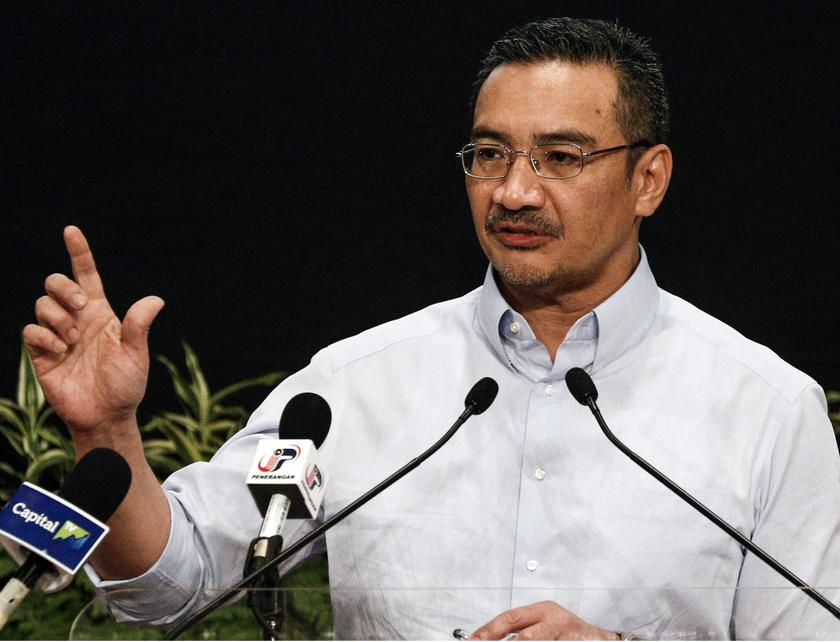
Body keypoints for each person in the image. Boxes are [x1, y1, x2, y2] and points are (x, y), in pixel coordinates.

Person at [22, 17, 840, 640]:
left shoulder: (767, 410)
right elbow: (172, 583)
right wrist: (107, 433)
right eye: (490, 154)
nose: (514, 191)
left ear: (648, 179)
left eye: (561, 157)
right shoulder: (352, 387)